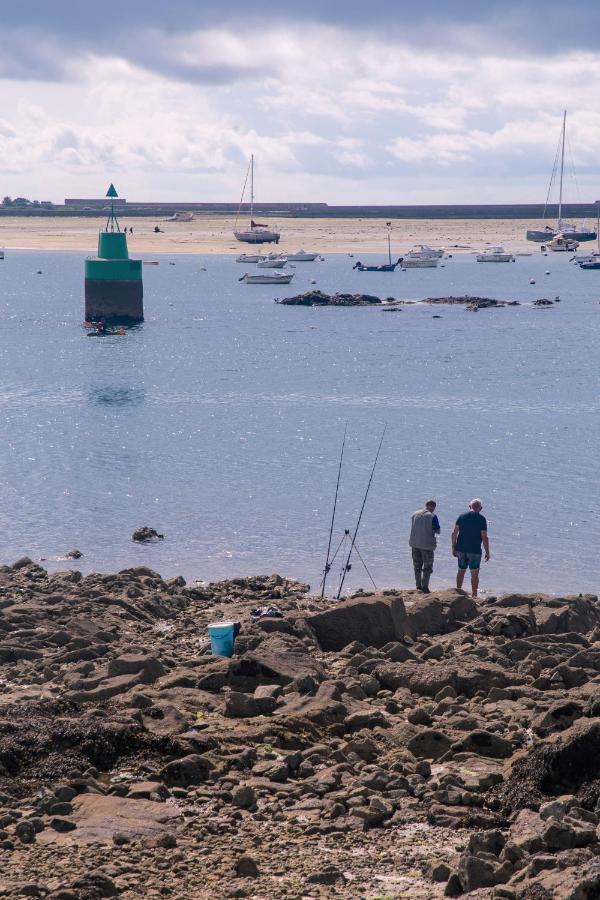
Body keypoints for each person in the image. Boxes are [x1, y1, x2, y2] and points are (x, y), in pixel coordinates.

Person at [451, 499, 490, 598]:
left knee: (461, 570)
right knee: (474, 573)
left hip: (461, 549)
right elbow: (484, 537)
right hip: (474, 550)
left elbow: (454, 533)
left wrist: (453, 547)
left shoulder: (461, 516)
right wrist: (487, 552)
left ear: (469, 506)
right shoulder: (481, 519)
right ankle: (474, 594)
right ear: (480, 508)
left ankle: (458, 591)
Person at [409, 500, 440, 593]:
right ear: (433, 507)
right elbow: (437, 530)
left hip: (414, 544)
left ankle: (418, 586)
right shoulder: (432, 516)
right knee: (427, 566)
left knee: (417, 566)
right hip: (427, 546)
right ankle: (425, 587)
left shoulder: (414, 514)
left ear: (425, 505)